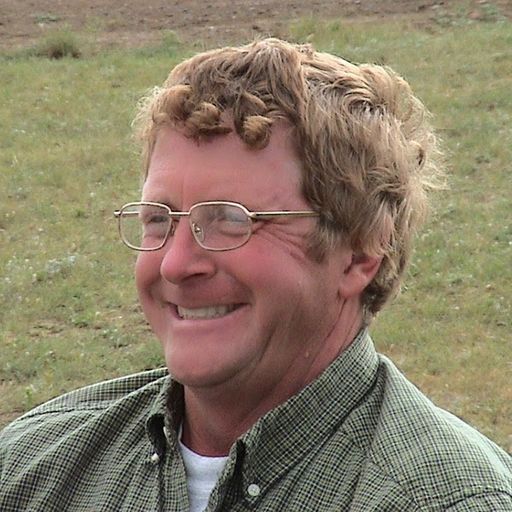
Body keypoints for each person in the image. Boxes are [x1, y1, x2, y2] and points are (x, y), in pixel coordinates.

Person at [0, 38, 510, 512]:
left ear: (359, 254)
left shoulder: (446, 500)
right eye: (159, 219)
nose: (175, 264)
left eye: (229, 220)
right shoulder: (30, 468)